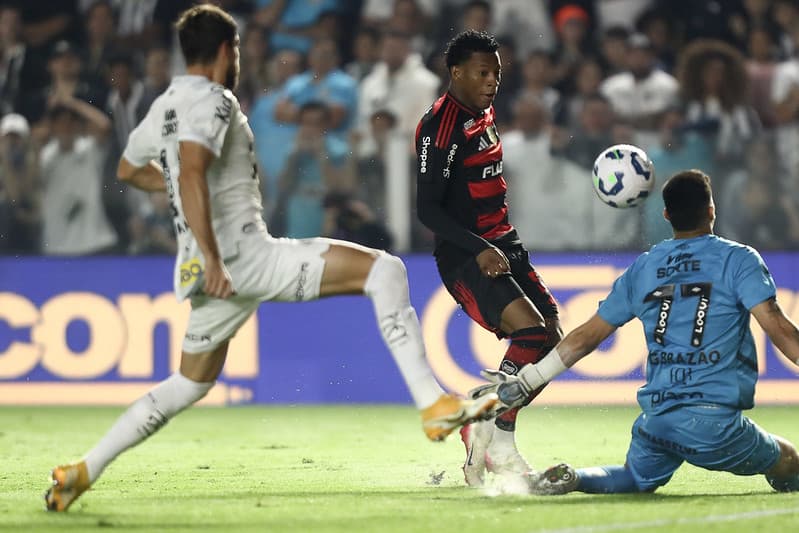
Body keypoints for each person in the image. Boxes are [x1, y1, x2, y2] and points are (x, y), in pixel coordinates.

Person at [44, 4, 497, 512]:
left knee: (189, 383)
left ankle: (84, 469)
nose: (237, 58)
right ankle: (433, 405)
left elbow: (131, 167)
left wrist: (185, 201)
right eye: (235, 49)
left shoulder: (166, 104)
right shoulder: (215, 101)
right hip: (242, 258)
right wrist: (215, 254)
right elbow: (191, 170)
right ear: (222, 52)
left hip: (208, 274)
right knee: (385, 271)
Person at [476, 169, 799, 495]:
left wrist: (528, 380)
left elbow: (585, 338)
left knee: (633, 478)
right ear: (712, 210)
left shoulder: (645, 267)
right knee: (789, 460)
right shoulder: (738, 259)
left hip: (658, 421)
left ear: (667, 215)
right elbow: (781, 333)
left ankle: (576, 477)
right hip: (715, 425)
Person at [414, 30, 563, 488]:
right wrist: (479, 248)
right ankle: (496, 432)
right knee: (532, 332)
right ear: (455, 72)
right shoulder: (441, 127)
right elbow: (427, 209)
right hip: (467, 255)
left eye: (497, 71)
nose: (493, 79)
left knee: (553, 339)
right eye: (483, 71)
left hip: (504, 243)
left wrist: (495, 243)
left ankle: (488, 422)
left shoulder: (484, 111)